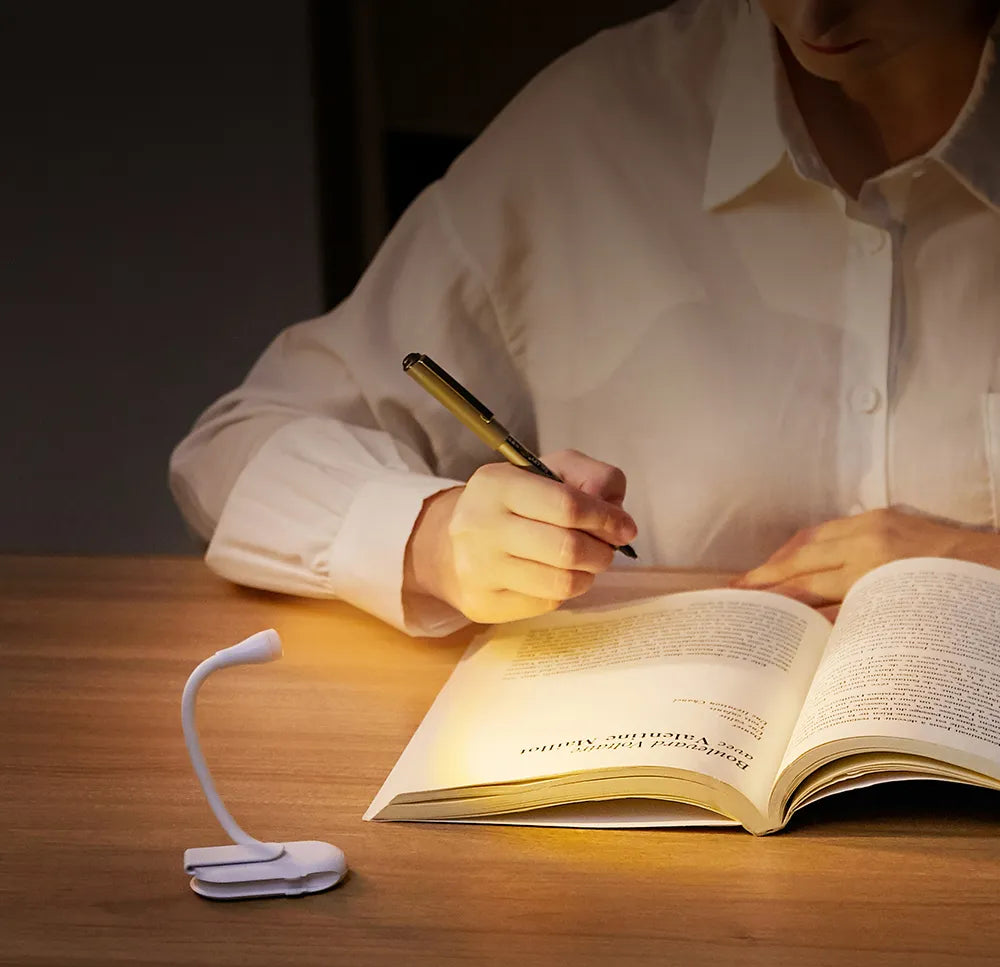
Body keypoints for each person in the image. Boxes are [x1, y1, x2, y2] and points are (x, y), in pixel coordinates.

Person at [170, 0, 1000, 637]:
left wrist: (980, 564)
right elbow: (236, 448)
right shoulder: (596, 127)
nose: (815, 14)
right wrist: (434, 536)